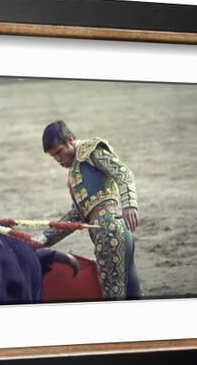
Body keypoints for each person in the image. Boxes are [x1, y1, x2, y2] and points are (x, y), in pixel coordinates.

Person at [39, 120, 142, 300]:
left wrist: (129, 204)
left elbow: (123, 173)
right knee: (131, 291)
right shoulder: (75, 174)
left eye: (60, 153)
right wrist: (45, 238)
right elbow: (77, 215)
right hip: (111, 232)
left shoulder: (90, 150)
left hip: (109, 232)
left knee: (113, 296)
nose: (59, 160)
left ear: (70, 139)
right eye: (54, 157)